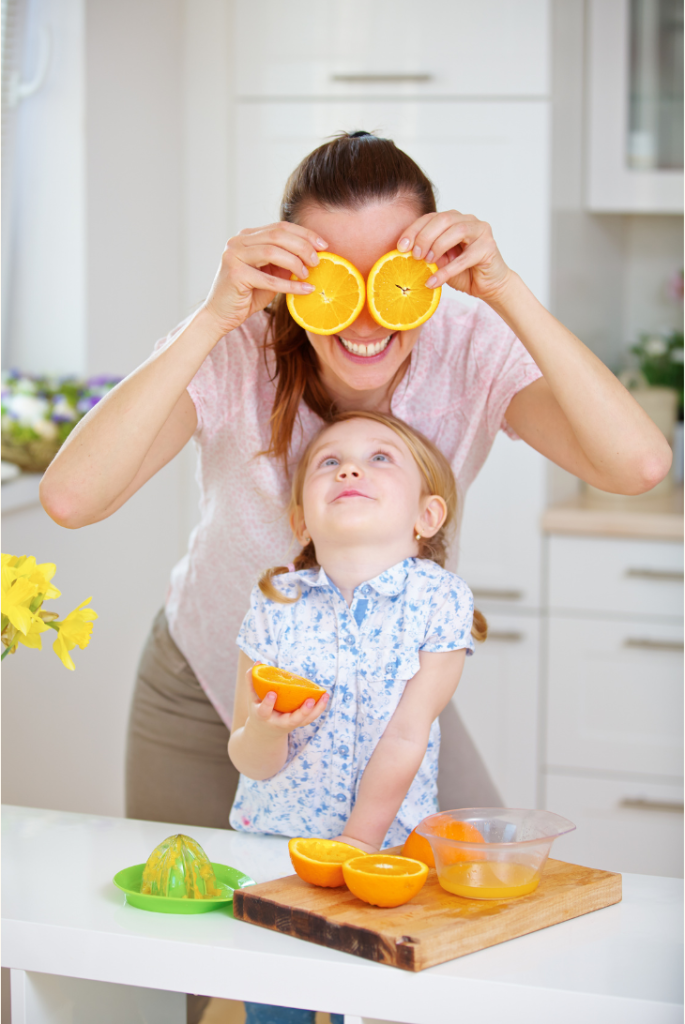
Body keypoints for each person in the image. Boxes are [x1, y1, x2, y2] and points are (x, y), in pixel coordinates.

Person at [40, 128, 670, 846]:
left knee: (460, 891)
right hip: (211, 675)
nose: (367, 317)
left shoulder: (468, 346)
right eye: (337, 276)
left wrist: (503, 288)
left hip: (390, 685)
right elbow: (72, 499)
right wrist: (215, 314)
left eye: (391, 277)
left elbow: (637, 467)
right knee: (187, 920)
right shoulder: (238, 345)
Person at [231, 409, 481, 1024]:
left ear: (427, 516)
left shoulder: (439, 600)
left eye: (379, 458)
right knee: (276, 1010)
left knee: (377, 1004)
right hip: (279, 852)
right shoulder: (275, 604)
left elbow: (407, 731)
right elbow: (246, 755)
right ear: (301, 521)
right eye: (328, 462)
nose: (349, 467)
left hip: (387, 856)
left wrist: (357, 846)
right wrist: (265, 730)